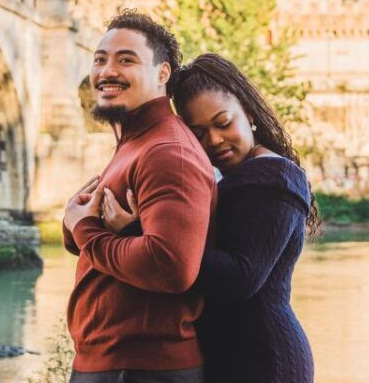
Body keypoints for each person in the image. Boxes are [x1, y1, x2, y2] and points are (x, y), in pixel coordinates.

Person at [101, 53, 318, 383]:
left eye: (223, 122)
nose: (214, 140)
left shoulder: (272, 178)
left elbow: (241, 277)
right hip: (237, 356)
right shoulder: (242, 176)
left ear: (248, 112)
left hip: (262, 361)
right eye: (198, 133)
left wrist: (138, 233)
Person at [62, 11, 217, 383]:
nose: (107, 71)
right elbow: (95, 241)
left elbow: (171, 266)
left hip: (141, 368)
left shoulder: (168, 152)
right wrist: (75, 226)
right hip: (114, 363)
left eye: (126, 60)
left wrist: (84, 230)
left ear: (162, 74)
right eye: (100, 59)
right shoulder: (136, 143)